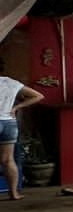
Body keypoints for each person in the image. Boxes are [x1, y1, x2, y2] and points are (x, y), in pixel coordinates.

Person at [0, 61, 45, 200]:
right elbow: (38, 96)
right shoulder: (11, 83)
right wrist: (16, 107)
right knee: (8, 160)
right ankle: (14, 193)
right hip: (8, 122)